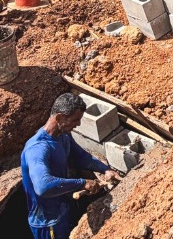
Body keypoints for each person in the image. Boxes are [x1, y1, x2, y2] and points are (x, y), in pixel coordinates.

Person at [21, 93, 119, 239]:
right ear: (59, 118)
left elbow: (79, 155)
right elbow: (43, 186)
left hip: (64, 206)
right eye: (75, 120)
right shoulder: (37, 149)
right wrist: (82, 183)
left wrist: (105, 169)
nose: (78, 124)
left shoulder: (63, 135)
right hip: (49, 222)